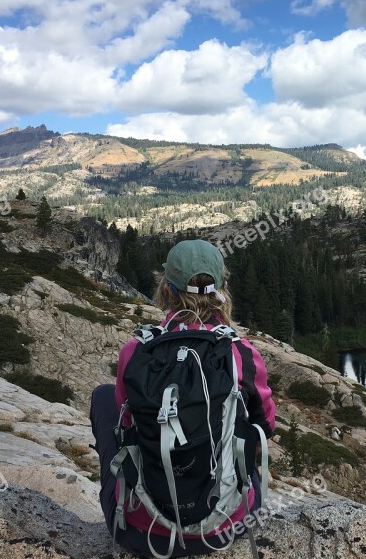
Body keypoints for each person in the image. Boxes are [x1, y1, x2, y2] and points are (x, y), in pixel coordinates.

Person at [90, 239, 276, 557]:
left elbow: (126, 427)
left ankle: (140, 503)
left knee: (104, 397)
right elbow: (265, 426)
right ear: (222, 288)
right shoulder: (239, 353)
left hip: (142, 533)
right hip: (222, 530)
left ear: (168, 289)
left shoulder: (136, 351)